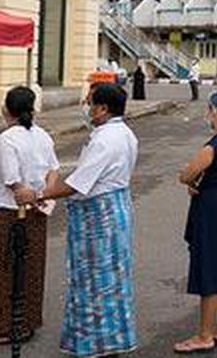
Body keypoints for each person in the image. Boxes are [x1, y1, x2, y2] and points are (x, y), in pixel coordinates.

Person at [37, 83, 139, 357]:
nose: (87, 107)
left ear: (103, 109)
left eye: (90, 102)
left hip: (99, 217)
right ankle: (114, 338)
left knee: (94, 281)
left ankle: (96, 343)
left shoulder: (105, 139)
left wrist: (40, 193)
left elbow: (78, 184)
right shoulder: (124, 133)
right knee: (114, 279)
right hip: (116, 208)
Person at [0, 86, 60, 345]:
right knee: (32, 265)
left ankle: (5, 326)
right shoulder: (42, 135)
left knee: (2, 266)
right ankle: (28, 321)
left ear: (6, 109)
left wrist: (23, 192)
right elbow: (54, 170)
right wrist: (44, 193)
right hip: (38, 209)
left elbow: (11, 178)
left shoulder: (7, 138)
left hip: (8, 211)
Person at [174, 87, 217, 354]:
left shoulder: (213, 146)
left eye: (209, 108)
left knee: (210, 269)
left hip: (210, 210)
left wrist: (190, 180)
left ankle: (204, 334)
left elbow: (186, 174)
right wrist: (198, 183)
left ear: (215, 111)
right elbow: (213, 175)